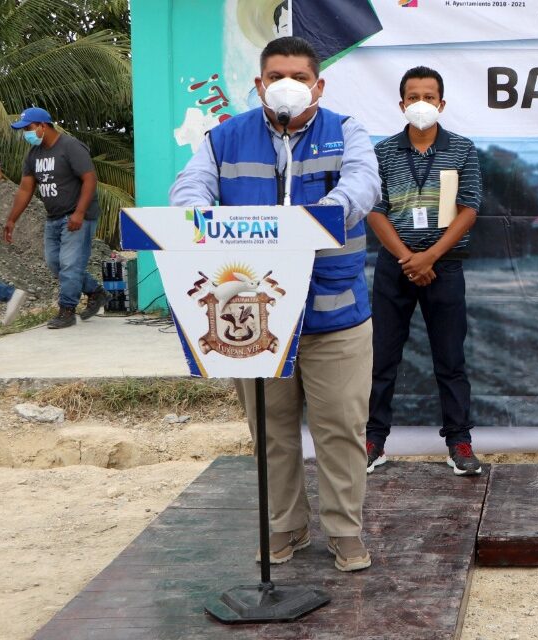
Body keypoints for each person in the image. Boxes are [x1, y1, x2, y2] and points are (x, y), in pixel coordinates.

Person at [168, 36, 381, 571]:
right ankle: (285, 527)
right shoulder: (224, 139)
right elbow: (188, 191)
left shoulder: (346, 131)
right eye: (277, 76)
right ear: (259, 85)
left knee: (340, 431)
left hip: (334, 316)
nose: (288, 85)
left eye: (300, 77)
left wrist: (313, 221)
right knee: (272, 433)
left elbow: (363, 185)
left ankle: (345, 531)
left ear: (318, 85)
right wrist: (201, 221)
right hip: (253, 316)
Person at [365, 66, 483, 476]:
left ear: (441, 104)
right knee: (382, 358)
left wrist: (429, 256)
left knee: (450, 360)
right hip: (394, 266)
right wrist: (408, 259)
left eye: (429, 97)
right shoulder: (380, 152)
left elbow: (469, 209)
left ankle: (459, 442)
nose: (421, 104)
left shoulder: (463, 149)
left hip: (444, 266)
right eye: (412, 97)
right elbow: (374, 210)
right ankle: (373, 441)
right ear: (401, 105)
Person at [4, 107, 108, 329]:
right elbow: (25, 189)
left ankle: (67, 310)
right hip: (54, 217)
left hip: (78, 215)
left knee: (70, 264)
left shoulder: (70, 147)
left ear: (43, 126)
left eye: (28, 128)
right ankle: (95, 291)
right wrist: (12, 219)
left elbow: (90, 180)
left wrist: (79, 213)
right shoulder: (34, 155)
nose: (25, 134)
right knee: (55, 264)